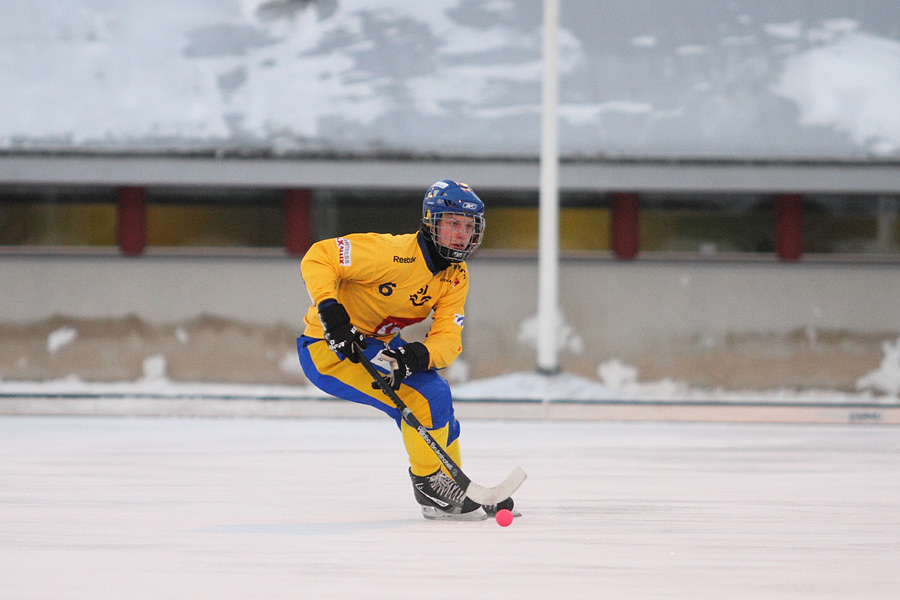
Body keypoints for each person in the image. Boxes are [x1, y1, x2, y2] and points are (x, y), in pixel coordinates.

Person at [296, 179, 514, 520]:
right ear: (431, 222)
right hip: (329, 349)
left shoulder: (456, 275)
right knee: (428, 395)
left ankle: (455, 484)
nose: (461, 234)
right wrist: (331, 311)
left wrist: (418, 356)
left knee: (438, 404)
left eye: (468, 226)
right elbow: (319, 256)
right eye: (452, 223)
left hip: (377, 344)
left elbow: (448, 336)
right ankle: (430, 484)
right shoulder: (391, 253)